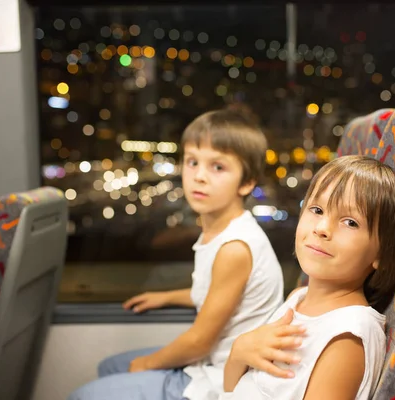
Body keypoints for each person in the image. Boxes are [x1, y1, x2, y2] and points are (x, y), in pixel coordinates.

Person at [68, 109, 284, 400]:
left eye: (217, 167)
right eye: (193, 162)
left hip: (222, 380)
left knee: (83, 396)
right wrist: (168, 296)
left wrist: (145, 365)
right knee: (109, 366)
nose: (199, 176)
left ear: (246, 183)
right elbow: (218, 293)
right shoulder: (220, 233)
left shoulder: (235, 247)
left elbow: (199, 342)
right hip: (211, 363)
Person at [221, 155, 395, 400]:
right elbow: (230, 389)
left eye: (350, 222)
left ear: (382, 255)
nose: (322, 228)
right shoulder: (298, 299)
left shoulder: (347, 337)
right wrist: (239, 351)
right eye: (317, 210)